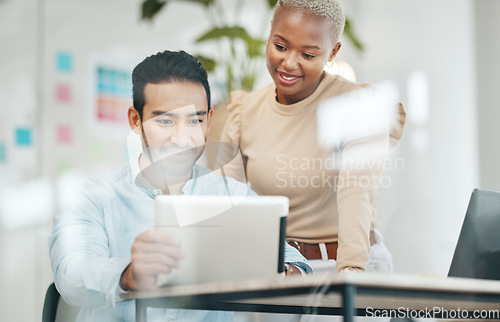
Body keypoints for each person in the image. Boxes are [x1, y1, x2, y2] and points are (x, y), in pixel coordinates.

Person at [49, 50, 311, 322]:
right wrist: (129, 274)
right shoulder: (92, 197)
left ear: (209, 120)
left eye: (195, 120)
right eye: (165, 121)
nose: (182, 139)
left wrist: (282, 272)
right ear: (135, 120)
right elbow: (72, 273)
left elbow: (293, 263)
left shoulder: (232, 194)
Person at [220, 0, 406, 274]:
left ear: (332, 53)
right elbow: (227, 199)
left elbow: (356, 192)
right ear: (270, 33)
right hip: (281, 266)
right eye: (280, 46)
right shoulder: (244, 111)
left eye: (308, 55)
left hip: (347, 261)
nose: (289, 63)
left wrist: (351, 269)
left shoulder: (357, 105)